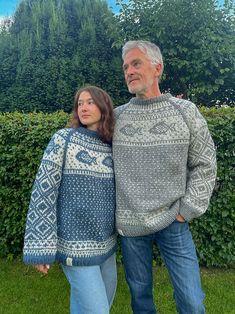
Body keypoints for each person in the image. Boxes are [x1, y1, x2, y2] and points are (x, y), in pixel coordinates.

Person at [112, 40, 217, 314]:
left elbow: (205, 163)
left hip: (174, 220)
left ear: (157, 68)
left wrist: (187, 210)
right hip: (131, 223)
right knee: (141, 299)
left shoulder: (186, 112)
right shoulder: (116, 118)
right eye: (125, 67)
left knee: (192, 301)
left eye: (136, 63)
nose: (129, 71)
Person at [23, 85, 117, 314]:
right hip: (74, 246)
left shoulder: (112, 146)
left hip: (107, 246)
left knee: (94, 305)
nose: (84, 107)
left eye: (90, 102)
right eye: (80, 103)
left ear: (103, 107)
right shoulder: (63, 139)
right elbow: (43, 191)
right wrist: (41, 246)